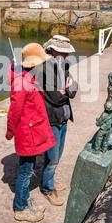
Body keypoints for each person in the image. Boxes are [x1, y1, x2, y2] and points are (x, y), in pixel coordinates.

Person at [6, 43, 56, 223]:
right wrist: (10, 131)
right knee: (25, 171)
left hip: (33, 132)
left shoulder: (30, 78)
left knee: (29, 169)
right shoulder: (22, 82)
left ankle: (25, 200)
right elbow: (15, 111)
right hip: (28, 134)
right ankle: (20, 208)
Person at [39, 35, 78, 206]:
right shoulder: (43, 69)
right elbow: (54, 98)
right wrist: (64, 90)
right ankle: (47, 188)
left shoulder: (65, 65)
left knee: (56, 156)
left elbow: (74, 89)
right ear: (54, 51)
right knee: (53, 158)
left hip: (64, 116)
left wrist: (66, 90)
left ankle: (50, 180)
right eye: (64, 52)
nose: (67, 55)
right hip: (52, 119)